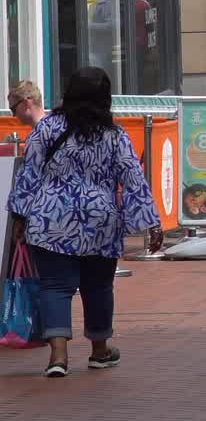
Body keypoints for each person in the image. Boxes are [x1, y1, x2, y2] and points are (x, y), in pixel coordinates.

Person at [6, 67, 163, 376]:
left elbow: (29, 175)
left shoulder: (47, 128)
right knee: (99, 286)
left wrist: (19, 216)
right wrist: (150, 222)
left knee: (54, 286)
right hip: (100, 221)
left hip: (50, 218)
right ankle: (100, 349)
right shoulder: (114, 134)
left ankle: (59, 357)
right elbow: (133, 179)